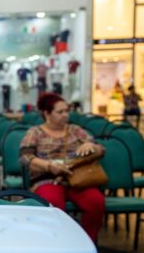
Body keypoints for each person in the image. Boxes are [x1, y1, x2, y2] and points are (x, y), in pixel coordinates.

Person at [19, 93, 105, 242]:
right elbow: (25, 158)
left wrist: (90, 145)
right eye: (60, 112)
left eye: (67, 111)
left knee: (95, 201)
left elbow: (101, 150)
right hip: (47, 179)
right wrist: (49, 166)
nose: (65, 115)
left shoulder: (75, 130)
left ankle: (85, 243)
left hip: (76, 178)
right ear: (46, 113)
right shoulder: (35, 132)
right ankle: (58, 242)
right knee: (53, 203)